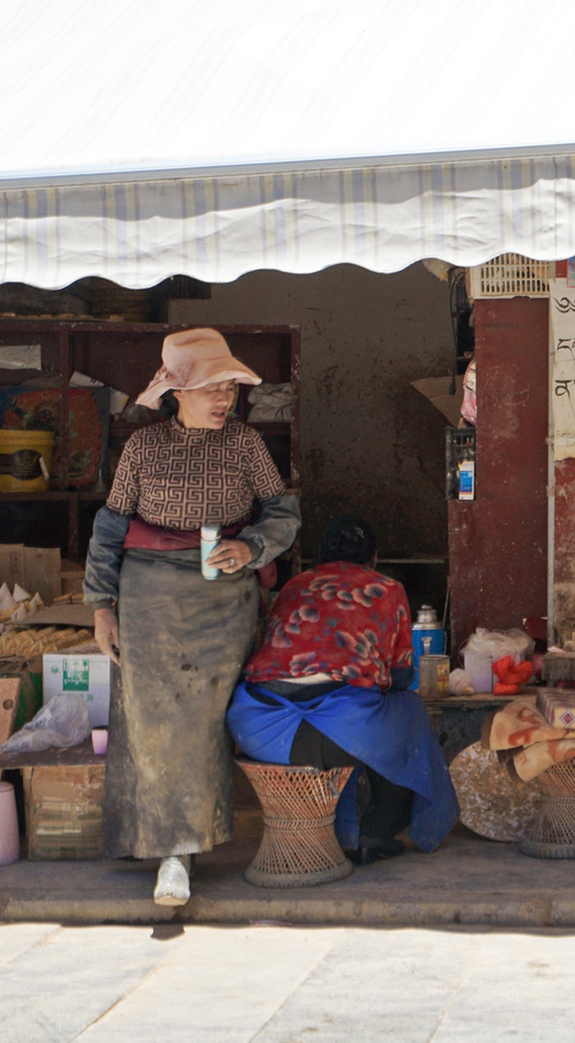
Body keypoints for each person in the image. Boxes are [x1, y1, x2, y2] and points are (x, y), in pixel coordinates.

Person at [83, 328, 301, 907]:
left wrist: (252, 547)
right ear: (177, 391)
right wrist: (101, 608)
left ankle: (203, 841)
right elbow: (109, 530)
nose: (224, 398)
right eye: (210, 387)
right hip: (148, 602)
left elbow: (284, 513)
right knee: (155, 727)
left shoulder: (247, 445)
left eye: (229, 386)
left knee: (205, 724)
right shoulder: (143, 449)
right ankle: (171, 853)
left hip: (224, 602)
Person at [227, 516, 459, 865]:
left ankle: (347, 829)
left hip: (257, 728)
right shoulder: (387, 588)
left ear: (319, 558)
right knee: (407, 709)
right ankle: (376, 833)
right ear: (374, 559)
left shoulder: (294, 586)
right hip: (338, 733)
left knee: (361, 709)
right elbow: (398, 677)